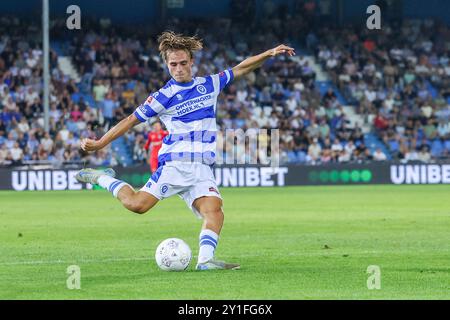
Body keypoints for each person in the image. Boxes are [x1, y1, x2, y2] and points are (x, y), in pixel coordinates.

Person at [75, 31, 295, 270]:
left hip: (202, 167)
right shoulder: (161, 97)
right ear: (167, 66)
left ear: (191, 62)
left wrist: (270, 53)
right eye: (173, 64)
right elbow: (130, 120)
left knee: (215, 211)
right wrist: (100, 143)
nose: (178, 68)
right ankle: (103, 178)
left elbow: (241, 68)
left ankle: (206, 261)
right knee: (137, 205)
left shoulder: (209, 84)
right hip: (176, 165)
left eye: (182, 63)